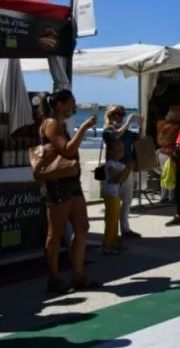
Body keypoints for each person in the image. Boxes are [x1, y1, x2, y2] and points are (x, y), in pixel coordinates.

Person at [37, 90, 99, 294]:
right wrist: (83, 128)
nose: (74, 106)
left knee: (82, 227)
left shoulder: (60, 124)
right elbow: (67, 149)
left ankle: (78, 275)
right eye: (71, 103)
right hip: (58, 184)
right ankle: (53, 279)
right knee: (55, 234)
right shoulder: (51, 124)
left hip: (71, 181)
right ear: (59, 105)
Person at [102, 106, 142, 239]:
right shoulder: (108, 130)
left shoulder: (126, 131)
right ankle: (111, 233)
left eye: (123, 114)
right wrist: (129, 122)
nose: (121, 117)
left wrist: (141, 126)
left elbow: (139, 138)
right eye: (118, 114)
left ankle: (125, 229)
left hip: (127, 166)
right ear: (111, 115)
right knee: (114, 201)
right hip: (114, 167)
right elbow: (115, 135)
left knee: (127, 200)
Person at [102, 140, 128, 255]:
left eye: (122, 151)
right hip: (110, 193)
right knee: (111, 221)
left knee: (114, 220)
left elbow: (123, 178)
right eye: (119, 151)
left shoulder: (119, 164)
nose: (121, 153)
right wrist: (127, 169)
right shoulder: (110, 164)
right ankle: (107, 244)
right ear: (112, 151)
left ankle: (114, 241)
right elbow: (117, 179)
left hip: (116, 194)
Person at [157, 109, 180, 203]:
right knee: (172, 176)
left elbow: (159, 140)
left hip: (162, 153)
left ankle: (163, 196)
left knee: (164, 175)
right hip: (171, 154)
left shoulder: (163, 126)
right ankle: (171, 197)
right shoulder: (177, 127)